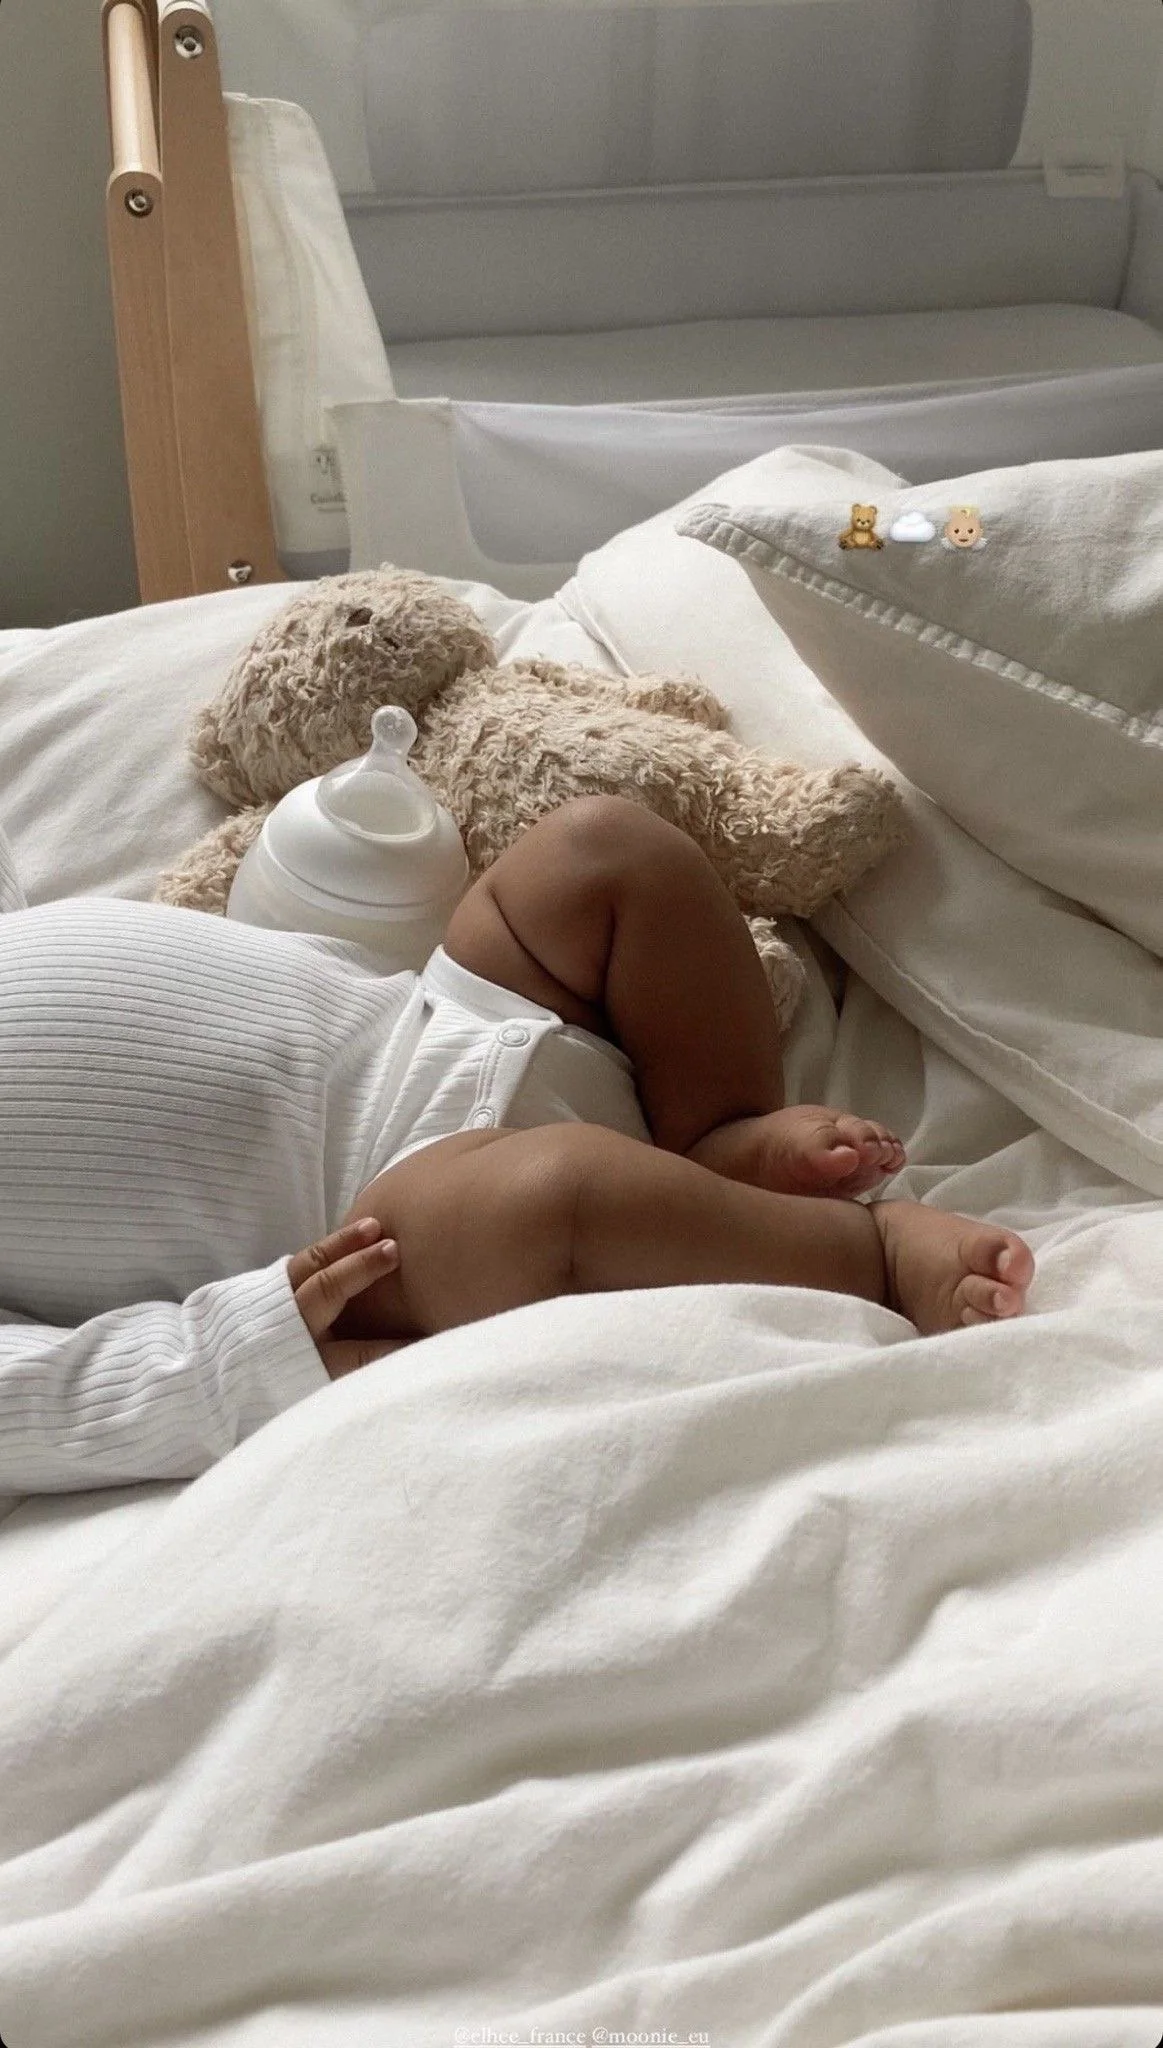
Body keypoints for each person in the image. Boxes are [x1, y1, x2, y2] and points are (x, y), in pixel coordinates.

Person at [0, 797, 1033, 1495]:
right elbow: (25, 1402)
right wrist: (241, 1354)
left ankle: (713, 1133)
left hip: (435, 1019)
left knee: (604, 849)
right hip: (380, 1217)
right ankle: (870, 1253)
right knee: (553, 1197)